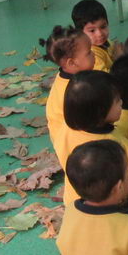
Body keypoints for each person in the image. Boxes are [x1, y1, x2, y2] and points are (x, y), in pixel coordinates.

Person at [58, 71, 128, 206]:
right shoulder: (116, 143)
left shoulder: (65, 129)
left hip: (75, 201)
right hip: (114, 202)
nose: (122, 103)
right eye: (117, 100)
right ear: (101, 111)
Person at [40, 25, 94, 162]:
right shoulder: (77, 90)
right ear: (71, 63)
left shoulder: (71, 77)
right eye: (89, 52)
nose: (94, 55)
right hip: (73, 149)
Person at [72, 0, 120, 72]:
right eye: (92, 31)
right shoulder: (92, 56)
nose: (100, 34)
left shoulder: (105, 42)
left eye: (103, 27)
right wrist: (120, 59)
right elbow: (106, 79)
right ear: (80, 32)